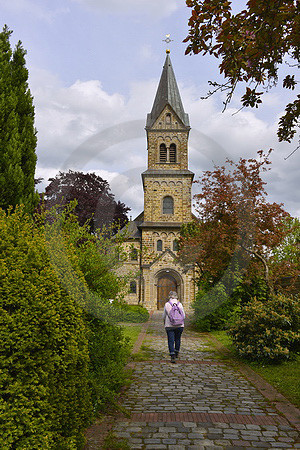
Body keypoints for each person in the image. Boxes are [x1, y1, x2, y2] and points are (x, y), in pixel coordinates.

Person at [163, 291, 185, 363]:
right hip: (180, 325)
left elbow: (164, 316)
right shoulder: (180, 304)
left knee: (171, 340)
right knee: (178, 339)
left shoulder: (167, 304)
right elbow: (183, 316)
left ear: (170, 296)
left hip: (169, 325)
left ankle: (172, 355)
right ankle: (177, 353)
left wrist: (164, 323)